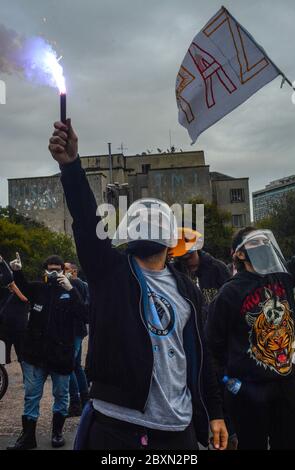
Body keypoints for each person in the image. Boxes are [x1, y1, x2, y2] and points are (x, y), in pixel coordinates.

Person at [48, 120, 228, 451]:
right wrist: (71, 166)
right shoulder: (109, 272)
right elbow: (87, 221)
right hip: (119, 426)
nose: (149, 225)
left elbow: (198, 354)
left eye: (158, 221)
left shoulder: (185, 288)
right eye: (142, 221)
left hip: (179, 428)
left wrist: (214, 413)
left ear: (171, 237)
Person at [206, 226, 295, 450]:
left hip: (286, 383)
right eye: (254, 243)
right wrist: (228, 384)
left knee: (289, 443)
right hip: (249, 390)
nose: (261, 246)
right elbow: (212, 346)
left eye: (263, 242)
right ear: (239, 253)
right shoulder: (229, 293)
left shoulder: (282, 278)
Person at [6, 254, 87, 450]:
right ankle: (28, 437)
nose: (53, 273)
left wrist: (72, 290)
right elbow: (23, 287)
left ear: (64, 271)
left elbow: (85, 315)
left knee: (61, 395)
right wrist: (17, 271)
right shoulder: (39, 289)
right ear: (45, 270)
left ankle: (57, 433)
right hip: (36, 354)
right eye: (50, 269)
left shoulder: (71, 290)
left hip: (61, 354)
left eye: (57, 270)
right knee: (31, 395)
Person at [170, 228, 237, 450]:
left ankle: (229, 437)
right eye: (181, 255)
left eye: (188, 254)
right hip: (191, 342)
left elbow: (233, 302)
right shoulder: (174, 272)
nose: (185, 259)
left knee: (223, 395)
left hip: (219, 344)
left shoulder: (217, 268)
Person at [170, 228, 231, 322]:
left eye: (186, 241)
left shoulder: (218, 268)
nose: (184, 246)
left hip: (217, 325)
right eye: (179, 243)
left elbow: (230, 299)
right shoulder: (174, 272)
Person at [64, 262, 90, 416]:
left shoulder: (74, 283)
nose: (63, 271)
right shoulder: (83, 284)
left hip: (73, 330)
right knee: (76, 366)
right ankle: (85, 400)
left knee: (68, 366)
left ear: (74, 271)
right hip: (79, 330)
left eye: (66, 269)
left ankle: (75, 403)